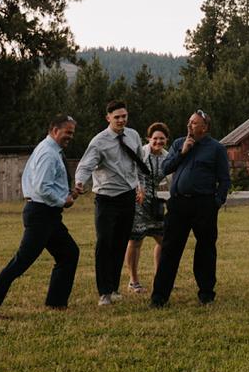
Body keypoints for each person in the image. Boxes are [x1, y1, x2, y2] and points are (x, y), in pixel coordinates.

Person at [0, 116, 80, 319]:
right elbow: (41, 187)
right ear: (54, 130)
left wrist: (67, 193)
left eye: (72, 132)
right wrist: (62, 200)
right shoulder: (48, 153)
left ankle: (56, 303)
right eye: (68, 132)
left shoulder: (49, 150)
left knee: (68, 253)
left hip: (47, 215)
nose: (70, 136)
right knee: (20, 262)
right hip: (42, 214)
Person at [150, 109, 231, 308]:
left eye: (194, 123)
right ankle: (159, 297)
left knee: (205, 249)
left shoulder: (216, 149)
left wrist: (216, 202)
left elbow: (224, 179)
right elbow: (166, 168)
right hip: (178, 203)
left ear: (205, 127)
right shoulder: (179, 143)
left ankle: (206, 294)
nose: (189, 125)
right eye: (189, 122)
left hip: (204, 205)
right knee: (170, 249)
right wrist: (182, 151)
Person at [73, 100, 146, 306]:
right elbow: (86, 165)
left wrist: (140, 186)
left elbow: (138, 163)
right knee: (105, 243)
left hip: (127, 197)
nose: (121, 120)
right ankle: (104, 292)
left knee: (120, 243)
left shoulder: (133, 136)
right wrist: (79, 182)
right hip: (106, 198)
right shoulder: (99, 141)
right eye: (117, 117)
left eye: (124, 116)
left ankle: (114, 288)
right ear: (108, 118)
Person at [124, 121, 170, 295]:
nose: (158, 142)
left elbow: (171, 177)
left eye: (162, 139)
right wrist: (139, 188)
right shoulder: (142, 153)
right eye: (155, 138)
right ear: (149, 138)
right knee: (136, 240)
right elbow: (132, 171)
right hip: (139, 200)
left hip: (156, 203)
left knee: (163, 240)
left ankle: (160, 277)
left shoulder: (167, 156)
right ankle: (133, 281)